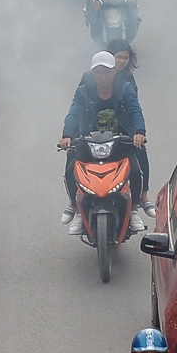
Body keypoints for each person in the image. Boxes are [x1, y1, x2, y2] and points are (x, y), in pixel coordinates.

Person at [58, 50, 149, 233]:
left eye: (106, 71)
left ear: (114, 71)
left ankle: (133, 210)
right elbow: (74, 113)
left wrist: (138, 132)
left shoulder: (124, 88)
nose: (102, 75)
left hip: (120, 141)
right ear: (93, 73)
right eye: (98, 71)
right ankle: (77, 210)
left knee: (135, 169)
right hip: (89, 141)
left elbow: (135, 110)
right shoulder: (84, 91)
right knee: (71, 169)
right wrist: (67, 135)